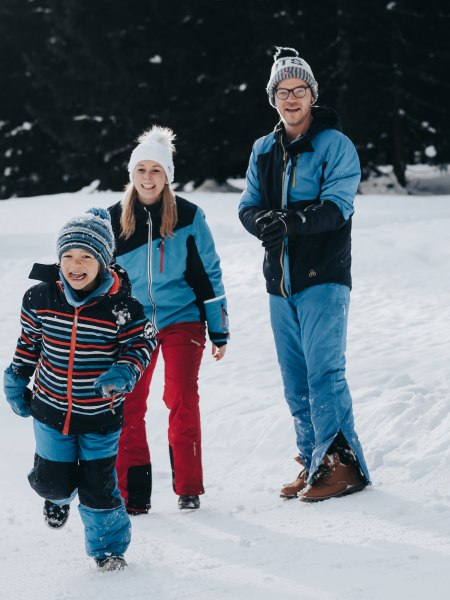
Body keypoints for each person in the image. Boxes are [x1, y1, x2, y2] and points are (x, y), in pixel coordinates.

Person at [239, 47, 370, 502]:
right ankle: (314, 461)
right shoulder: (263, 149)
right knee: (294, 379)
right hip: (279, 282)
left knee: (324, 374)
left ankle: (342, 466)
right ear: (272, 98)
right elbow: (248, 204)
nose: (291, 97)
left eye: (299, 89)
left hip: (323, 276)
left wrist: (291, 222)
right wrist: (260, 223)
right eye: (282, 90)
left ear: (312, 94)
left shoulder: (336, 145)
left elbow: (338, 206)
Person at [3, 207, 156, 571]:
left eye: (86, 256)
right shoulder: (40, 298)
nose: (76, 264)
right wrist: (16, 376)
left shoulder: (124, 309)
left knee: (99, 489)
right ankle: (56, 497)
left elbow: (142, 346)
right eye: (68, 256)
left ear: (103, 261)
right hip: (50, 410)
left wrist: (124, 371)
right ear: (59, 260)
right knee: (52, 483)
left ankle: (108, 551)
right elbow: (29, 342)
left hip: (100, 415)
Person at [108, 125, 229, 513]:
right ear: (132, 174)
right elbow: (95, 279)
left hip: (182, 319)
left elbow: (208, 273)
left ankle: (188, 488)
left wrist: (219, 326)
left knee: (180, 397)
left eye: (156, 170)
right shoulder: (110, 220)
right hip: (132, 326)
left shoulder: (190, 217)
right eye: (141, 169)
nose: (148, 177)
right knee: (129, 403)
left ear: (167, 176)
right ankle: (134, 496)